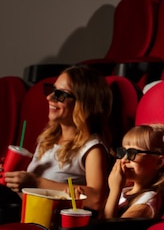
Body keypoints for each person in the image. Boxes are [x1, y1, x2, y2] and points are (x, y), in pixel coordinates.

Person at [1, 65, 112, 215]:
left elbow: (97, 199)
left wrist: (36, 182)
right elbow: (31, 196)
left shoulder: (92, 148)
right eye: (51, 90)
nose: (49, 97)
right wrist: (14, 178)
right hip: (29, 213)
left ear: (82, 103)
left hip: (54, 226)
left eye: (60, 94)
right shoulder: (48, 138)